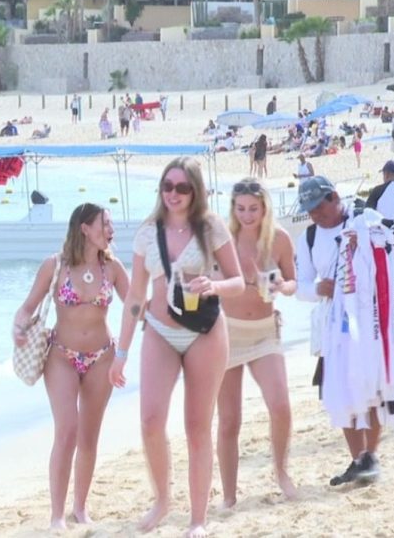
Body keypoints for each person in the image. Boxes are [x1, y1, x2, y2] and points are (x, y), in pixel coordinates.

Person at [108, 157, 244, 538]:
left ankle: (198, 519)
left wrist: (214, 286)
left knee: (197, 425)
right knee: (151, 420)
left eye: (182, 187)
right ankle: (162, 500)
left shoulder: (210, 227)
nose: (173, 194)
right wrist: (120, 352)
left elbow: (238, 281)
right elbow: (135, 295)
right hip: (158, 330)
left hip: (205, 332)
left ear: (195, 191)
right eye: (167, 186)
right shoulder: (148, 231)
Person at [14, 204, 129, 528]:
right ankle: (56, 515)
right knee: (67, 431)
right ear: (84, 228)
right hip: (61, 356)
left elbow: (135, 306)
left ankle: (80, 508)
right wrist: (18, 328)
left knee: (89, 436)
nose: (111, 230)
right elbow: (27, 308)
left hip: (101, 357)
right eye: (105, 224)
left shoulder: (114, 268)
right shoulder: (55, 265)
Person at [295, 176, 383, 484]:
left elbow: (390, 253)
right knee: (340, 390)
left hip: (367, 317)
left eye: (319, 207)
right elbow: (300, 285)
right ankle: (357, 458)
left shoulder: (363, 221)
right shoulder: (308, 237)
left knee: (371, 387)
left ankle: (371, 455)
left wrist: (364, 248)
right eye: (310, 211)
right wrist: (319, 288)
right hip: (334, 322)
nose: (315, 215)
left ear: (334, 197)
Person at [217, 179, 297, 507]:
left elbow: (294, 281)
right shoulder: (223, 239)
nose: (247, 215)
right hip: (226, 333)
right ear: (233, 209)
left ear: (264, 206)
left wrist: (281, 286)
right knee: (229, 419)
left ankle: (280, 471)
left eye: (253, 208)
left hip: (265, 330)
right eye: (241, 208)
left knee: (280, 406)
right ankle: (229, 496)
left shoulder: (278, 238)